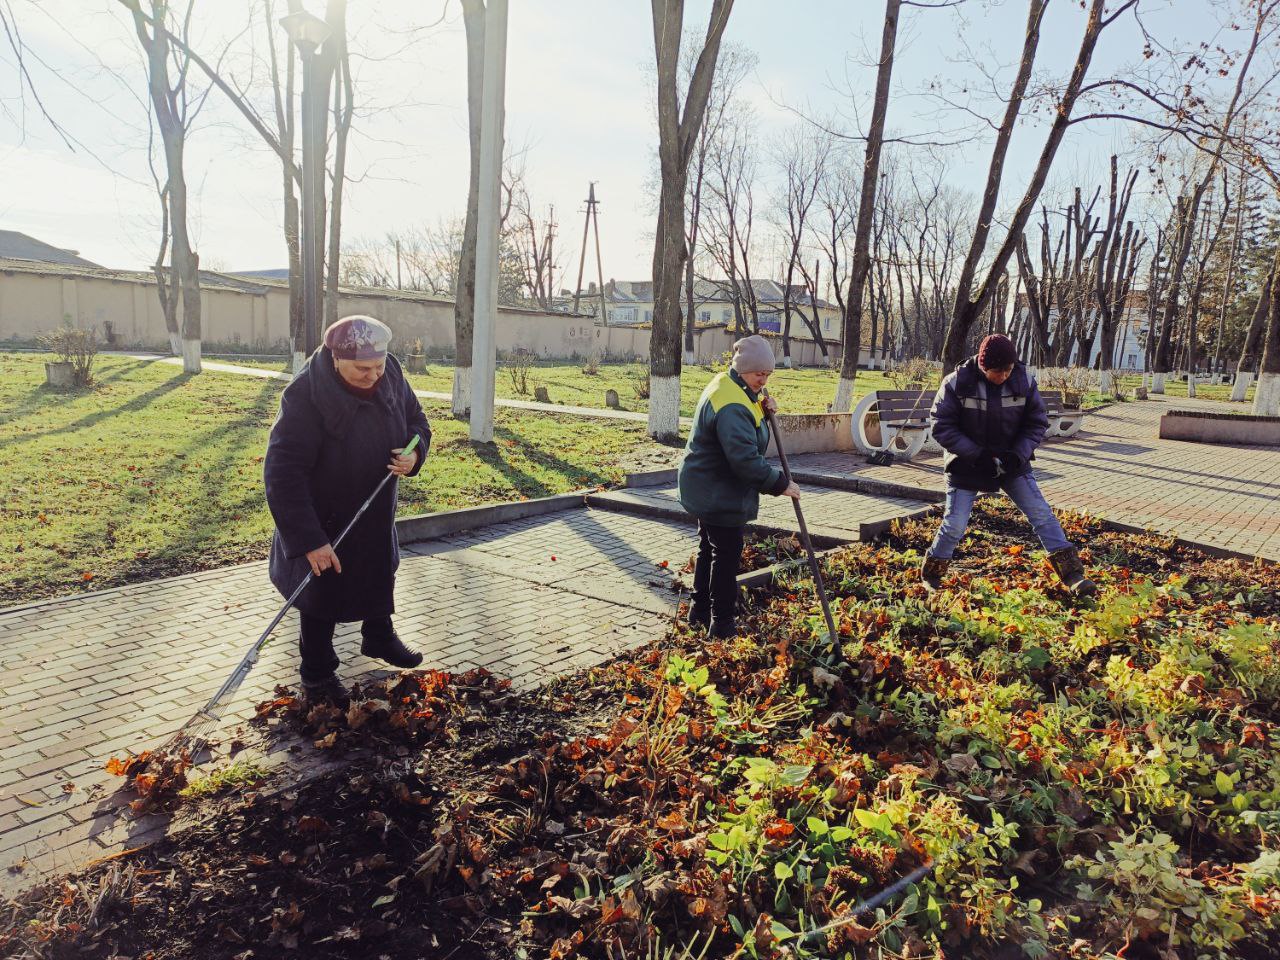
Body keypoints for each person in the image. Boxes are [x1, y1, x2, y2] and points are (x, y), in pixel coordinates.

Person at [264, 315, 432, 703]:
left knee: (379, 568)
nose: (374, 376)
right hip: (322, 516)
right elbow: (281, 472)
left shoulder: (390, 372)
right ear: (336, 359)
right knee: (321, 593)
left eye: (378, 366)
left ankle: (379, 635)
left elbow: (417, 421)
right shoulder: (305, 395)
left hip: (375, 506)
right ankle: (317, 675)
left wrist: (414, 453)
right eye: (362, 369)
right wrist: (309, 539)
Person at [922, 333, 1096, 596]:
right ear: (983, 366)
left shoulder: (1023, 381)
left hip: (1012, 462)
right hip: (966, 464)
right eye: (997, 371)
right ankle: (932, 574)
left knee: (1041, 514)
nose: (1004, 376)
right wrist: (977, 455)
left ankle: (1073, 575)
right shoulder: (957, 383)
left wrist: (1018, 454)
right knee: (955, 523)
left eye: (1008, 370)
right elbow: (941, 425)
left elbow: (1036, 422)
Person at [677, 335, 802, 638]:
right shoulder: (732, 403)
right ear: (743, 368)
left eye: (768, 374)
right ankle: (721, 625)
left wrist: (763, 409)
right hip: (716, 490)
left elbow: (749, 426)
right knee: (726, 554)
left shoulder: (732, 386)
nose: (764, 380)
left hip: (707, 484)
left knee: (709, 548)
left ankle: (699, 612)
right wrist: (779, 483)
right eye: (759, 373)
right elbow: (744, 458)